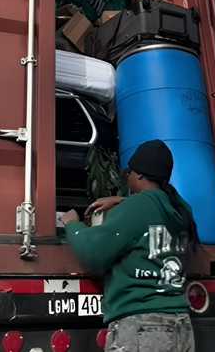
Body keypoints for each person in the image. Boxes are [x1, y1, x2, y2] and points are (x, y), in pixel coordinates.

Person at [61, 139, 199, 352]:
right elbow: (153, 209)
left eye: (129, 173)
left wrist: (73, 225)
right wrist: (121, 200)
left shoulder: (138, 207)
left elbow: (93, 254)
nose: (127, 178)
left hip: (144, 326)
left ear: (139, 175)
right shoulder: (180, 209)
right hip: (180, 326)